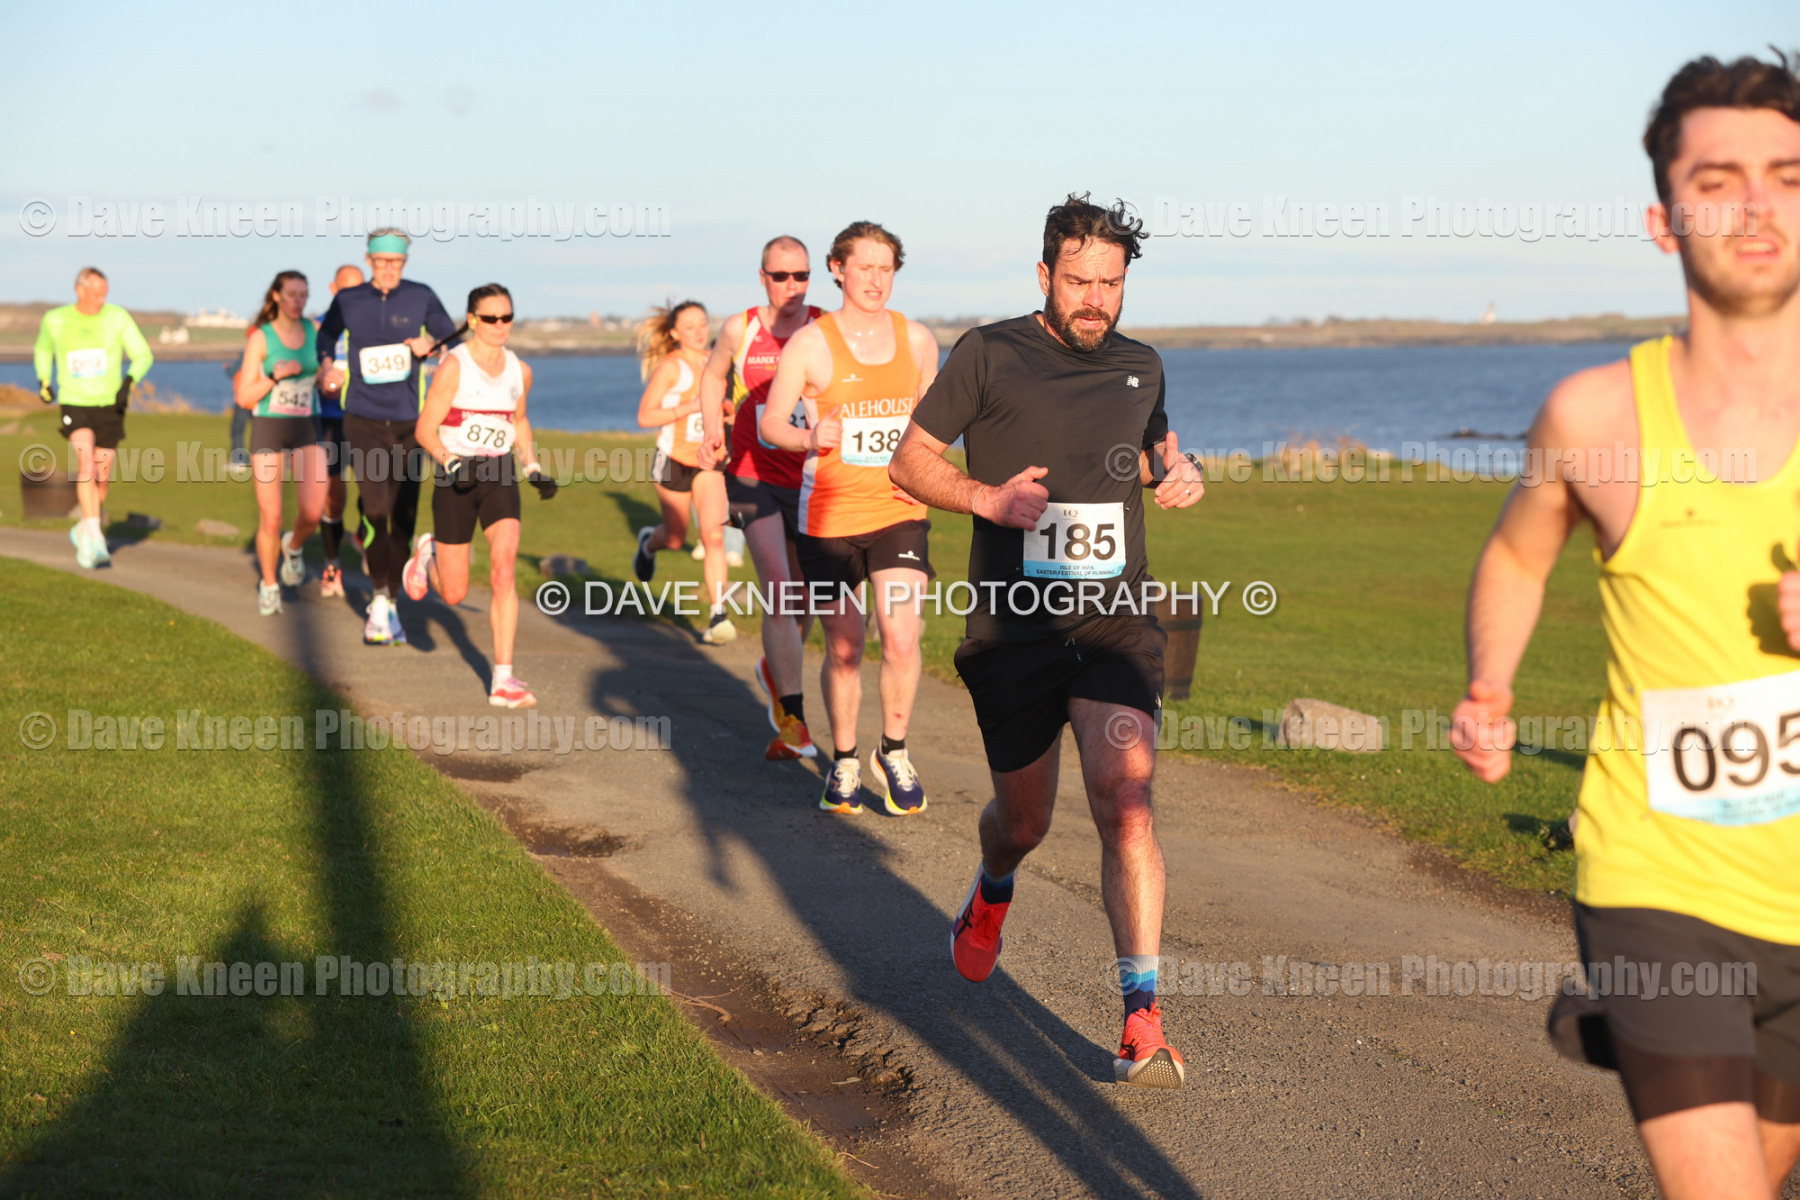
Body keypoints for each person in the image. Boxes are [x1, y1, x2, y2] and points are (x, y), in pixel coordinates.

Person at [1451, 54, 1800, 1199]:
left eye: (1788, 176)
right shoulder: (1597, 416)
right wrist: (1491, 680)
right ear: (1664, 222)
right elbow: (1517, 551)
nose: (1757, 206)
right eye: (1719, 181)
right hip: (1661, 881)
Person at [889, 195, 1206, 1089]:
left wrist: (1183, 472)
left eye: (1110, 283)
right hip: (1013, 632)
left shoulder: (1142, 366)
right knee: (1022, 824)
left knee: (1127, 800)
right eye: (1078, 281)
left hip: (1115, 625)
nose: (1095, 299)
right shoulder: (988, 354)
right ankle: (992, 887)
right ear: (1044, 276)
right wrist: (987, 499)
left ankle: (1141, 1017)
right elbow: (908, 461)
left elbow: (1161, 452)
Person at [760, 222, 939, 814]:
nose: (876, 280)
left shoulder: (917, 341)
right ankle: (843, 761)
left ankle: (894, 750)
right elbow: (772, 423)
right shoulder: (810, 344)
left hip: (899, 509)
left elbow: (933, 424)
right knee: (843, 649)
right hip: (830, 517)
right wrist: (810, 437)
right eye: (865, 268)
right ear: (838, 269)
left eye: (886, 269)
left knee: (902, 636)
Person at [698, 235, 823, 759]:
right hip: (753, 475)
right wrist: (712, 427)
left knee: (807, 596)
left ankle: (775, 667)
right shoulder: (740, 328)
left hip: (810, 478)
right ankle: (793, 722)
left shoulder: (824, 328)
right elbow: (712, 376)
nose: (791, 285)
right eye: (780, 276)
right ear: (763, 277)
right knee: (778, 587)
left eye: (801, 276)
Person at [404, 283, 557, 708]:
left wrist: (532, 467)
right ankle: (428, 554)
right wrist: (449, 461)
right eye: (490, 318)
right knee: (453, 593)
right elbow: (424, 429)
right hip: (456, 475)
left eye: (506, 317)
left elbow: (518, 421)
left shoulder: (520, 371)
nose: (499, 325)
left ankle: (503, 679)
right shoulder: (454, 366)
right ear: (472, 320)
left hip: (499, 474)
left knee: (504, 570)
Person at [314, 228, 460, 645]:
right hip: (362, 418)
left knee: (403, 515)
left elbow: (452, 340)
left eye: (397, 262)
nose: (390, 269)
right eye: (382, 262)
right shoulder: (349, 299)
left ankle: (391, 598)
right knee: (375, 509)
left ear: (405, 263)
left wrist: (431, 344)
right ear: (369, 261)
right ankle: (379, 598)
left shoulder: (420, 295)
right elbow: (326, 335)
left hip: (411, 423)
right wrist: (327, 367)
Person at [33, 267, 152, 569]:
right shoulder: (56, 319)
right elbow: (43, 350)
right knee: (85, 463)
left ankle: (84, 527)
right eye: (97, 293)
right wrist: (44, 380)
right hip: (75, 402)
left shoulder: (117, 317)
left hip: (110, 404)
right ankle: (96, 537)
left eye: (105, 294)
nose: (102, 300)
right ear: (80, 290)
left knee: (101, 475)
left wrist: (129, 382)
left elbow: (143, 354)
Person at [632, 300, 737, 646]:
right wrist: (690, 406)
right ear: (675, 333)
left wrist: (727, 411)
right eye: (689, 326)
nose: (699, 332)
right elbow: (645, 416)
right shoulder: (672, 367)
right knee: (676, 539)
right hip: (673, 459)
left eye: (702, 324)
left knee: (714, 537)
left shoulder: (718, 362)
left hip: (709, 460)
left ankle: (718, 615)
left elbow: (727, 405)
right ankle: (649, 544)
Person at [233, 271, 328, 616]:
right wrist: (276, 376)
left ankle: (294, 545)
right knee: (271, 517)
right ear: (276, 296)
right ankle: (270, 584)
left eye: (303, 294)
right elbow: (244, 395)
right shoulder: (262, 337)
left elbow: (325, 376)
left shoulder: (315, 331)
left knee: (313, 511)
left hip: (306, 426)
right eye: (291, 294)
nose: (298, 301)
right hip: (270, 427)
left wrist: (328, 380)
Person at [316, 263, 365, 599]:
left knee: (375, 487)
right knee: (333, 494)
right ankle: (332, 564)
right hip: (331, 419)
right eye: (347, 289)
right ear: (333, 290)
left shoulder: (374, 325)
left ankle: (363, 531)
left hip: (367, 419)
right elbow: (309, 372)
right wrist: (322, 379)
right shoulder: (321, 327)